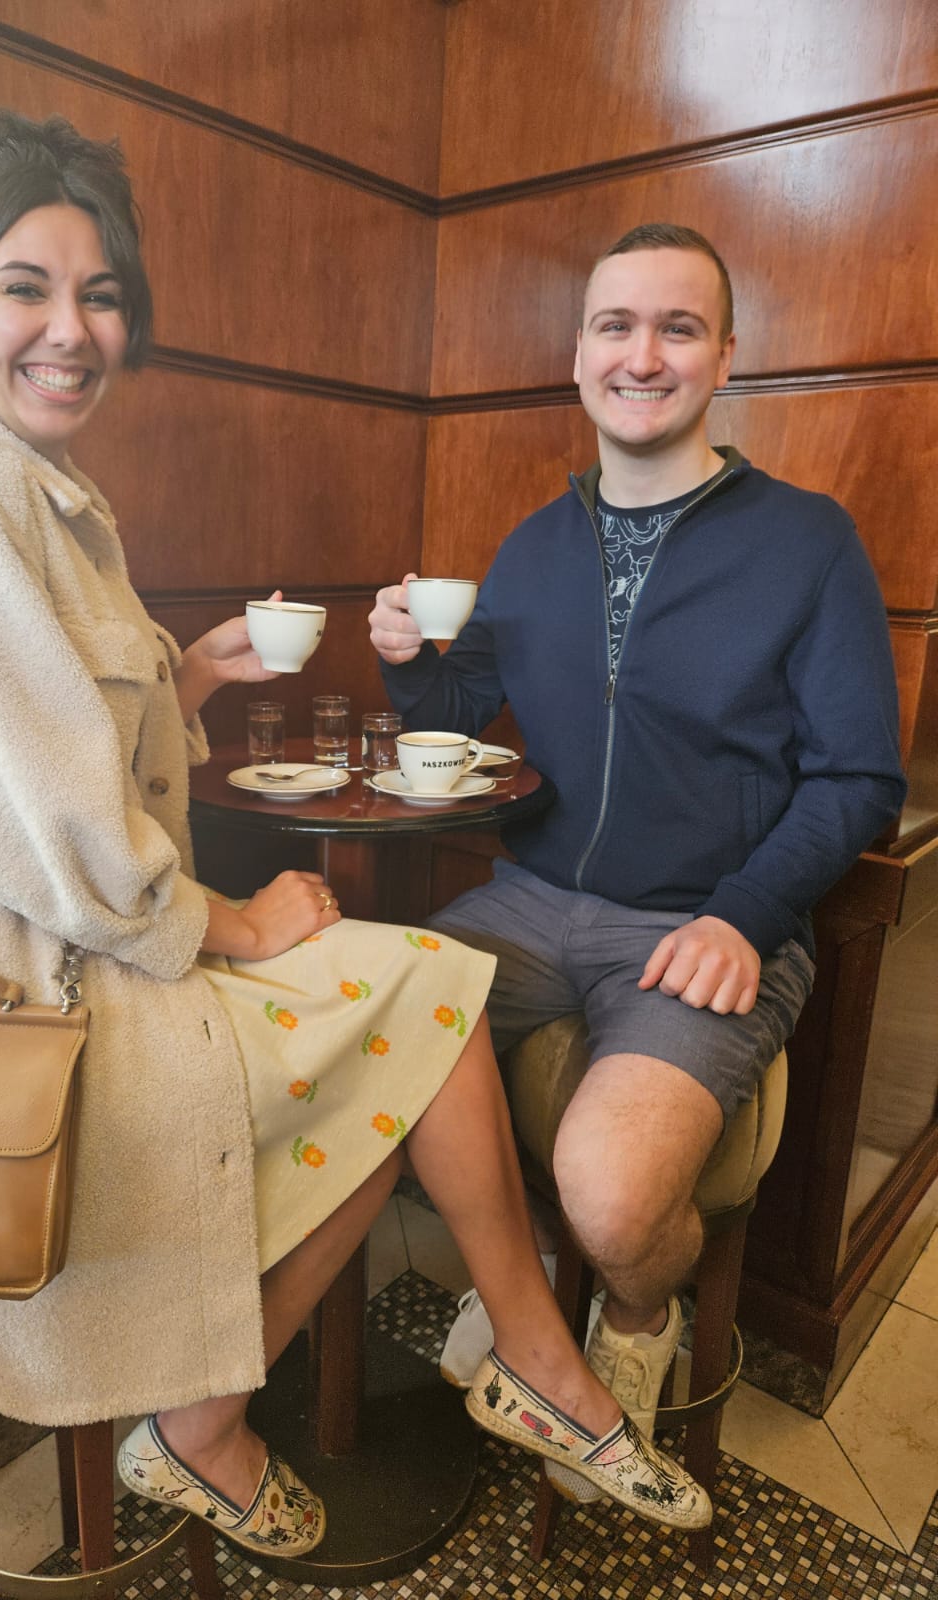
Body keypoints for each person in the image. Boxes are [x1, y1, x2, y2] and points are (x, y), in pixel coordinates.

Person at [0, 115, 713, 1556]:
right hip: (24, 1025)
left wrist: (194, 677)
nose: (69, 329)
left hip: (76, 964)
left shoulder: (29, 491)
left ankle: (334, 1401)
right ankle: (488, 1379)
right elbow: (55, 833)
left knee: (422, 1005)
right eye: (24, 289)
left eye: (98, 294)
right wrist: (233, 926)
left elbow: (28, 748)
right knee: (423, 999)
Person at [369, 222, 907, 1504]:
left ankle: (634, 1325)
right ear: (578, 358)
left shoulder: (808, 541)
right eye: (616, 326)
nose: (642, 353)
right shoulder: (536, 542)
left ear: (724, 357)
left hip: (707, 923)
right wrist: (405, 664)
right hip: (531, 899)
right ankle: (525, 1315)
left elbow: (861, 778)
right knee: (352, 1036)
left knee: (615, 1203)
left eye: (677, 327)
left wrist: (743, 913)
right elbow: (456, 722)